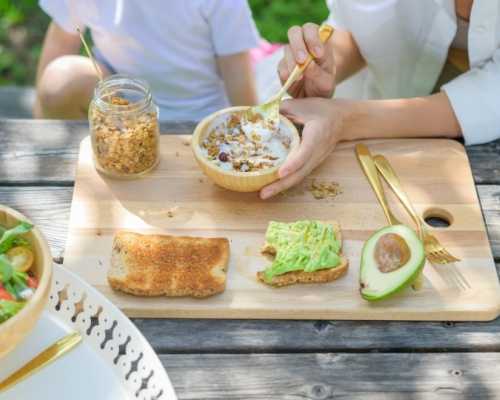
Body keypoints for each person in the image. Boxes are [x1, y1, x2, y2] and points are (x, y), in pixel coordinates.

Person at [261, 0, 500, 199]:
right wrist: (326, 64)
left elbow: (491, 94)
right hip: (380, 100)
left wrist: (346, 120)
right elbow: (361, 28)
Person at [35, 0, 259, 121]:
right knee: (60, 78)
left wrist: (250, 129)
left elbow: (239, 80)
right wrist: (40, 121)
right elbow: (60, 41)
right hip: (122, 110)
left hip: (200, 117)